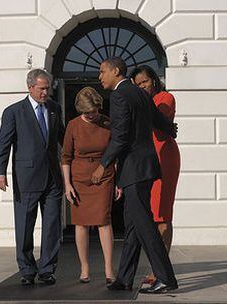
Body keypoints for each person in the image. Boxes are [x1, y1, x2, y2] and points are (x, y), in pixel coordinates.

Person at [91, 57, 178, 294]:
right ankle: (125, 278)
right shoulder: (140, 93)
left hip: (135, 168)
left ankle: (165, 278)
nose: (100, 76)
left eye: (102, 71)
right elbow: (160, 121)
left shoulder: (120, 95)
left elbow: (120, 136)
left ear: (116, 71)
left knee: (145, 225)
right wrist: (172, 130)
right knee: (132, 226)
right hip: (145, 167)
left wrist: (103, 164)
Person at [0, 69, 65, 286]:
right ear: (30, 87)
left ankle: (47, 270)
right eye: (42, 88)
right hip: (26, 177)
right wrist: (0, 172)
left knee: (52, 225)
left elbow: (63, 139)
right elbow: (3, 143)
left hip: (53, 177)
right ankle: (26, 269)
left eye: (47, 88)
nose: (46, 92)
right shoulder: (14, 112)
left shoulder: (54, 109)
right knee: (25, 225)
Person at [61, 86, 122, 285]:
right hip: (79, 178)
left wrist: (117, 181)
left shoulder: (107, 123)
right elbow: (66, 157)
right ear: (81, 110)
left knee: (104, 220)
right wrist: (67, 184)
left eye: (94, 111)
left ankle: (108, 267)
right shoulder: (73, 125)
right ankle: (85, 267)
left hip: (103, 175)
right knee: (81, 223)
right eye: (87, 113)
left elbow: (115, 154)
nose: (92, 115)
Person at [130, 65, 181, 283]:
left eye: (145, 82)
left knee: (162, 214)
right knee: (146, 213)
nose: (142, 87)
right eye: (138, 84)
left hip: (164, 158)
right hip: (145, 159)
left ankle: (158, 269)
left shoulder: (165, 97)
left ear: (154, 80)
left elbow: (155, 121)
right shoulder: (143, 101)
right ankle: (157, 265)